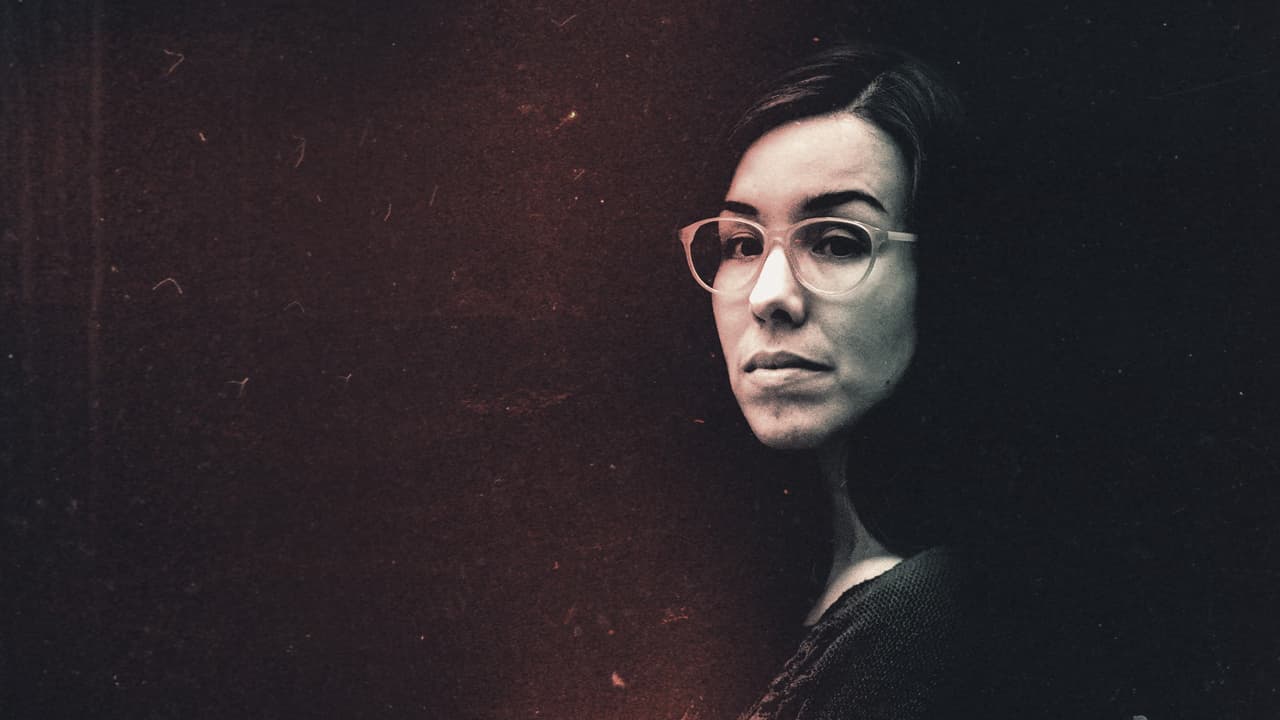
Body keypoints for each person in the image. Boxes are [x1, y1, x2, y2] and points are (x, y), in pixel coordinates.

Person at [677, 45, 1018, 719]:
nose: (769, 296)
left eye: (837, 242)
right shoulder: (772, 586)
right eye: (742, 243)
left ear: (947, 275)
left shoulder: (922, 616)